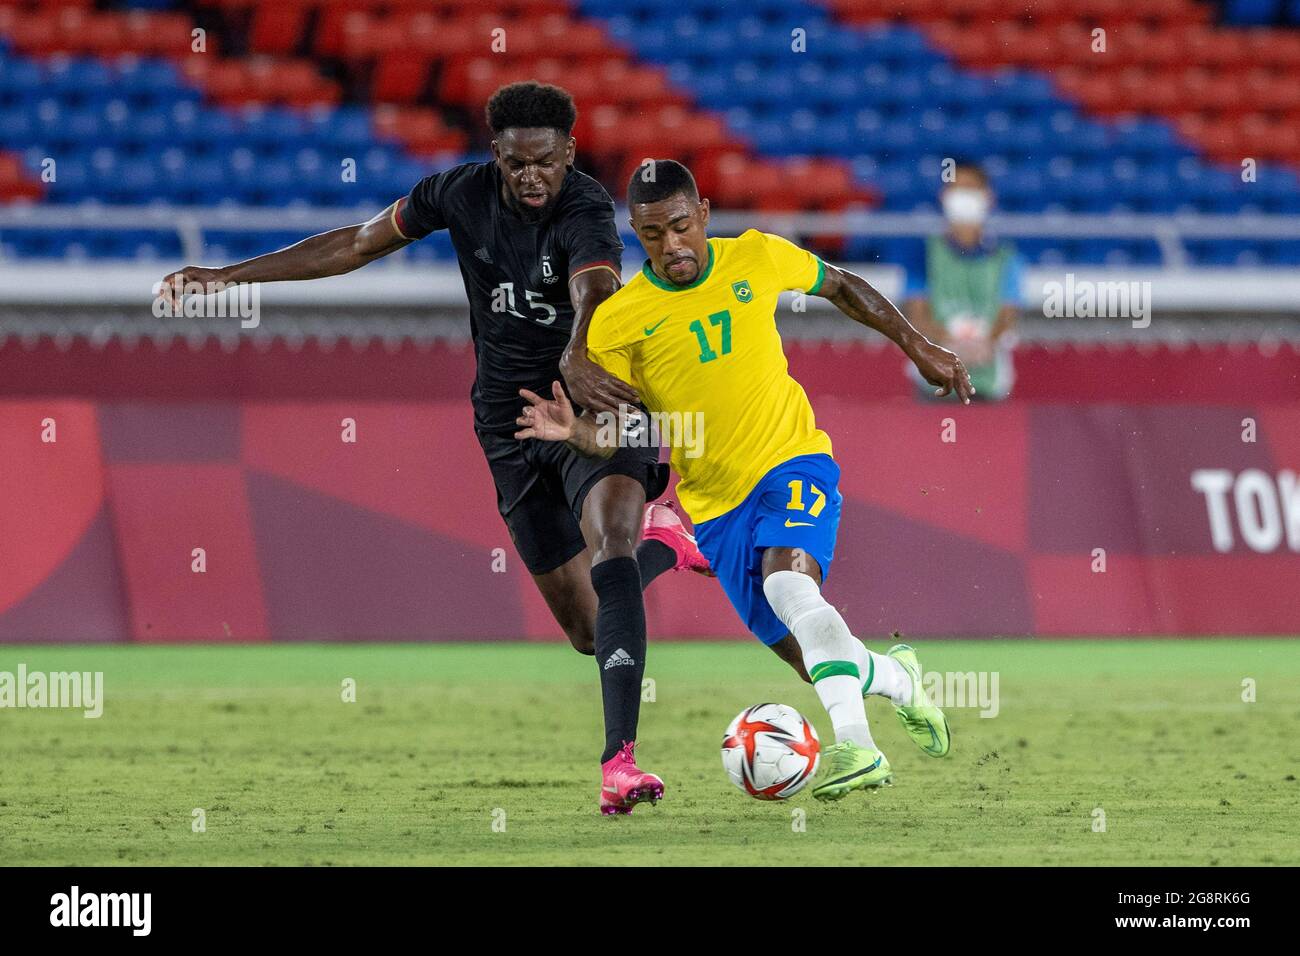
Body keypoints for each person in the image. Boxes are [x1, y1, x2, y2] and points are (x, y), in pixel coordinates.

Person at [156, 84, 709, 816]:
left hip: (591, 406)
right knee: (585, 630)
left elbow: (596, 287)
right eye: (515, 164)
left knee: (610, 547)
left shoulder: (583, 208)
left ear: (568, 154)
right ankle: (665, 545)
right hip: (509, 426)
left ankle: (620, 762)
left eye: (543, 161)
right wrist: (227, 277)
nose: (530, 177)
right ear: (496, 157)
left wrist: (577, 354)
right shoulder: (455, 194)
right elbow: (356, 243)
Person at [516, 160, 966, 801]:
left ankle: (859, 749)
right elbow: (623, 435)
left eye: (679, 226)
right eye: (651, 234)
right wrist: (575, 435)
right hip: (717, 510)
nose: (671, 245)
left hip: (792, 460)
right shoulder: (620, 322)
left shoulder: (755, 256)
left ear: (702, 213)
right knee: (807, 650)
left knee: (790, 582)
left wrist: (916, 343)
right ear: (636, 234)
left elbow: (838, 285)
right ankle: (897, 679)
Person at [900, 161, 1023, 400]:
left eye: (970, 188)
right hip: (933, 387)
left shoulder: (1007, 258)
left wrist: (983, 345)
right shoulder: (922, 253)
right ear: (943, 196)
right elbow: (916, 317)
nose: (962, 195)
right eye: (956, 188)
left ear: (988, 196)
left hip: (989, 386)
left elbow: (1008, 317)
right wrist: (949, 345)